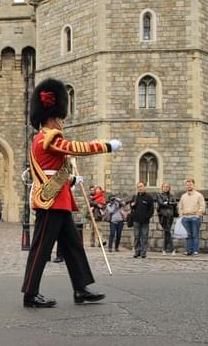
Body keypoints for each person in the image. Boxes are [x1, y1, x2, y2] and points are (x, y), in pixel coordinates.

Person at [21, 78, 121, 308]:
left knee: (73, 246)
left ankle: (80, 288)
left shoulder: (45, 137)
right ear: (52, 116)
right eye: (60, 118)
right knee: (41, 248)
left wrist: (73, 179)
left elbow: (54, 169)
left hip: (60, 200)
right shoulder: (48, 136)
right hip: (51, 201)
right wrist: (106, 146)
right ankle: (30, 293)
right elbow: (75, 148)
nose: (62, 122)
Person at [178, 178, 206, 256]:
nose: (189, 186)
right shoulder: (183, 196)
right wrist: (181, 215)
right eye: (187, 185)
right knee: (187, 235)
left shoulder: (199, 195)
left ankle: (195, 251)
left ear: (193, 185)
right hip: (185, 217)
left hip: (195, 217)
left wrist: (198, 215)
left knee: (195, 234)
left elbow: (202, 206)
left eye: (190, 184)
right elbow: (180, 206)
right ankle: (188, 250)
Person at [130, 182, 154, 259]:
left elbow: (151, 210)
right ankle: (137, 252)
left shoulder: (149, 197)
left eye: (141, 186)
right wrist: (132, 206)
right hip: (136, 220)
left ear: (144, 187)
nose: (140, 188)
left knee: (144, 237)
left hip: (145, 221)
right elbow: (132, 208)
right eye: (138, 187)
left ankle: (143, 252)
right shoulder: (135, 197)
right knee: (136, 237)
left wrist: (147, 217)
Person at [155, 182, 178, 255]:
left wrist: (167, 203)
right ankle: (172, 249)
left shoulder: (171, 195)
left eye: (167, 187)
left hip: (170, 216)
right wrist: (169, 203)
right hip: (163, 216)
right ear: (162, 188)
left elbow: (175, 203)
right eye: (164, 187)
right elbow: (161, 203)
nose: (166, 188)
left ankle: (164, 249)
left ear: (169, 188)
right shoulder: (159, 195)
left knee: (166, 232)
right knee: (167, 231)